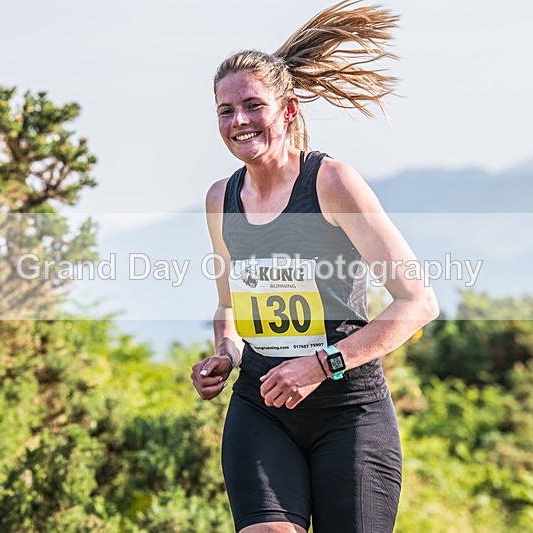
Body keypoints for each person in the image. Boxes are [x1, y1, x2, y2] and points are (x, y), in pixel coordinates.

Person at [190, 2, 439, 532]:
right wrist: (225, 354)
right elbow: (227, 306)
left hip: (348, 413)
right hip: (261, 409)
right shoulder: (220, 199)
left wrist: (320, 365)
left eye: (253, 106)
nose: (239, 121)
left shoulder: (331, 182)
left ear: (289, 110)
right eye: (225, 110)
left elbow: (418, 302)